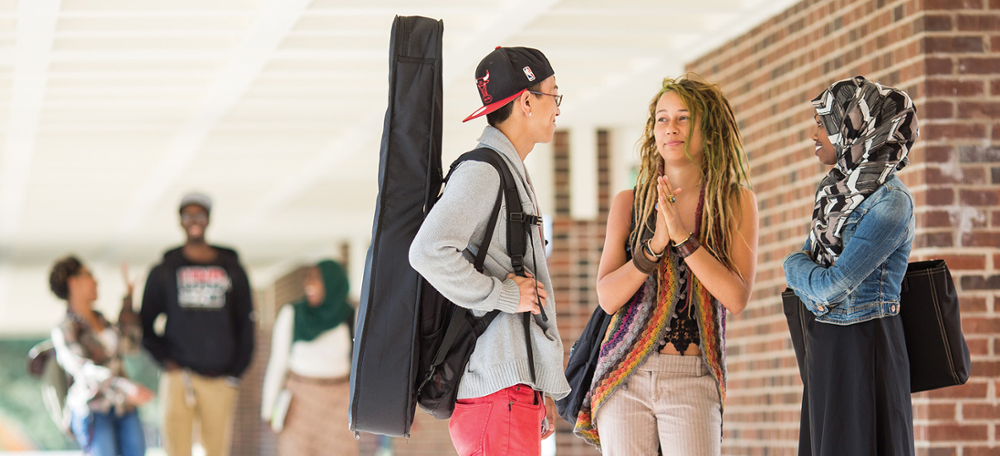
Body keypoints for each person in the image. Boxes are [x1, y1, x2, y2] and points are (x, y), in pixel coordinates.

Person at [574, 75, 758, 455]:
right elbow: (608, 297)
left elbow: (736, 297)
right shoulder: (630, 202)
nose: (670, 128)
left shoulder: (735, 202)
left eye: (683, 118)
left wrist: (683, 238)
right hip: (624, 374)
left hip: (694, 377)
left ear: (709, 132)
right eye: (661, 118)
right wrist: (655, 245)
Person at [408, 46, 571, 456]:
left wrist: (537, 382)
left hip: (508, 395)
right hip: (497, 398)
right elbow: (428, 251)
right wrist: (504, 295)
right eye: (554, 95)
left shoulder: (506, 168)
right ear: (527, 101)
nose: (557, 107)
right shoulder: (484, 171)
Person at [783, 76, 918, 456]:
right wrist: (807, 275)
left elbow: (830, 285)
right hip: (824, 342)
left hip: (866, 348)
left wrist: (790, 266)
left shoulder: (891, 203)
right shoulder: (834, 192)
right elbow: (820, 279)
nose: (813, 132)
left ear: (855, 128)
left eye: (822, 121)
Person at [139, 193, 254, 456]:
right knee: (176, 447)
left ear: (208, 219)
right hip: (179, 375)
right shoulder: (165, 270)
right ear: (180, 221)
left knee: (216, 448)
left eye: (199, 215)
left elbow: (245, 321)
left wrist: (236, 370)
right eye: (188, 215)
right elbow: (146, 321)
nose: (194, 221)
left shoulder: (232, 269)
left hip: (220, 376)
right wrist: (166, 361)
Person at [49, 256, 155, 456]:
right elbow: (84, 369)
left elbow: (129, 345)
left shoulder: (102, 321)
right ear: (73, 282)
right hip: (94, 410)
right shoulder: (65, 329)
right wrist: (124, 385)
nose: (95, 281)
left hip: (123, 406)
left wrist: (128, 300)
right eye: (89, 275)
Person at [261, 259, 356, 456]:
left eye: (316, 278)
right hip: (298, 402)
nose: (308, 284)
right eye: (308, 278)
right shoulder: (292, 314)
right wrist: (269, 410)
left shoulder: (350, 315)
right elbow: (278, 363)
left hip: (338, 403)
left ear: (332, 282)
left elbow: (362, 365)